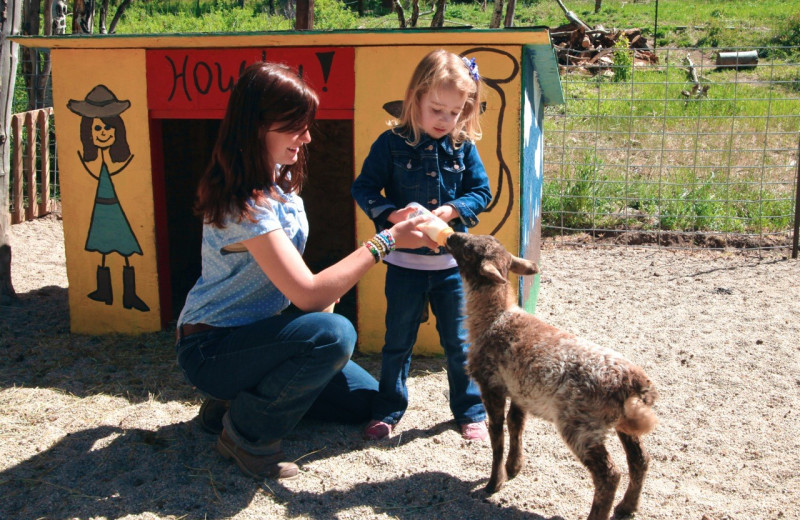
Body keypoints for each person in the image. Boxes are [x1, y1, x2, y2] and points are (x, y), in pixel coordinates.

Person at [175, 61, 437, 481]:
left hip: (262, 334)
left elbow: (299, 281)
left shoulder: (281, 184)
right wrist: (387, 240)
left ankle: (235, 403)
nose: (307, 136)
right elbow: (309, 294)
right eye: (296, 126)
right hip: (213, 348)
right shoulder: (246, 203)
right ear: (258, 126)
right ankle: (247, 435)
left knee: (366, 402)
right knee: (335, 336)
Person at [351, 49, 492, 442]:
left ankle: (470, 411)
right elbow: (363, 188)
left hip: (450, 267)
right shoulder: (390, 143)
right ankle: (389, 409)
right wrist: (393, 216)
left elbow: (482, 192)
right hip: (404, 267)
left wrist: (449, 211)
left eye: (455, 112)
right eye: (436, 110)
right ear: (415, 99)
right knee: (397, 342)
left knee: (458, 344)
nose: (446, 121)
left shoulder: (463, 147)